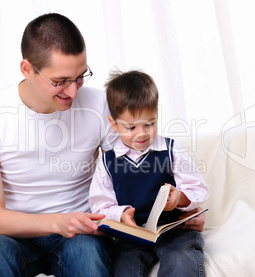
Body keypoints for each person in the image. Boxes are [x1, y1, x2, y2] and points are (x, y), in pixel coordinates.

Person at [0, 13, 206, 276]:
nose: (74, 92)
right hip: (16, 237)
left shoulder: (99, 105)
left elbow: (131, 172)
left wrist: (178, 210)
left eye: (80, 77)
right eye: (60, 81)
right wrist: (59, 222)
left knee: (87, 253)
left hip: (82, 236)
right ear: (27, 69)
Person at [89, 70, 209, 277]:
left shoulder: (171, 150)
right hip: (132, 236)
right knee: (124, 269)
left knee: (181, 260)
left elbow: (197, 188)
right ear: (113, 124)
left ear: (157, 115)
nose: (142, 133)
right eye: (131, 127)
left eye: (149, 124)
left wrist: (180, 198)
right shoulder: (108, 162)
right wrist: (120, 214)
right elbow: (100, 206)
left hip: (173, 231)